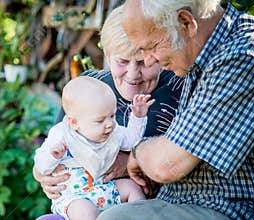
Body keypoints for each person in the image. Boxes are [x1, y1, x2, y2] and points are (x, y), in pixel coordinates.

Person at [96, 0, 254, 219]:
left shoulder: (243, 56)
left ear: (186, 22)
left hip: (231, 209)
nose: (151, 60)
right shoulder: (198, 53)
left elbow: (167, 165)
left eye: (151, 47)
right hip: (186, 200)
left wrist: (137, 153)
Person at [33, 5, 183, 201]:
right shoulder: (89, 86)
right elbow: (54, 144)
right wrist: (43, 176)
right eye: (122, 61)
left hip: (153, 203)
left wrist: (127, 162)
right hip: (86, 200)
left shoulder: (178, 85)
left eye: (143, 62)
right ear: (108, 56)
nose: (132, 74)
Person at [34, 76, 154, 219]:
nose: (109, 123)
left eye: (112, 115)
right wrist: (53, 156)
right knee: (85, 211)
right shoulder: (62, 135)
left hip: (104, 189)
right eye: (100, 120)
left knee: (131, 188)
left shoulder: (112, 131)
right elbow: (41, 166)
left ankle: (139, 217)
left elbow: (131, 141)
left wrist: (138, 117)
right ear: (74, 123)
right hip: (74, 197)